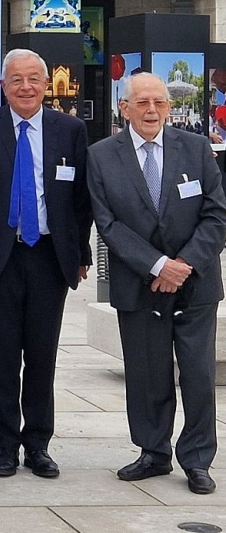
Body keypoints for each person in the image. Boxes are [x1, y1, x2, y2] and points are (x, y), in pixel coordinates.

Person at [88, 72, 226, 495]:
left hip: (195, 282)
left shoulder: (198, 148)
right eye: (142, 103)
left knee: (199, 375)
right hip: (139, 283)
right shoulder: (101, 155)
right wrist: (157, 265)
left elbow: (216, 214)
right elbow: (107, 223)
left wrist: (182, 263)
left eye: (159, 103)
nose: (151, 110)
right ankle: (153, 452)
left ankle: (198, 460)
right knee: (147, 375)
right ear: (123, 108)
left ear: (169, 107)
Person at [0, 49, 92, 479]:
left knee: (42, 355)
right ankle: (5, 445)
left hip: (49, 257)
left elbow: (81, 200)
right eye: (16, 80)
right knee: (3, 355)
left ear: (47, 85)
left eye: (34, 79)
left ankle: (38, 444)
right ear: (3, 86)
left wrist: (82, 255)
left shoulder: (71, 129)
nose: (25, 87)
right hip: (0, 257)